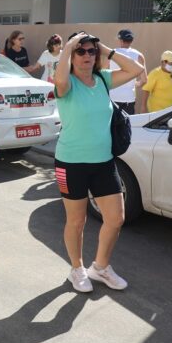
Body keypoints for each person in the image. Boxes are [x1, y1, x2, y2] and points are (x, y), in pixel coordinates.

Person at [52, 31, 145, 293]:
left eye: (90, 51)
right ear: (71, 56)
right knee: (76, 221)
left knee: (116, 218)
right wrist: (68, 46)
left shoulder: (103, 80)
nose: (86, 56)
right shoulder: (66, 83)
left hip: (103, 161)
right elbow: (59, 78)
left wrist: (105, 49)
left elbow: (136, 69)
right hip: (70, 163)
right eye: (80, 51)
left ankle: (101, 267)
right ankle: (77, 269)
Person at [109, 29, 147, 114]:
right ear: (131, 41)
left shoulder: (111, 53)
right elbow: (144, 80)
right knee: (127, 125)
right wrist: (135, 84)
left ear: (120, 40)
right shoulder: (139, 55)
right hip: (129, 98)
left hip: (112, 97)